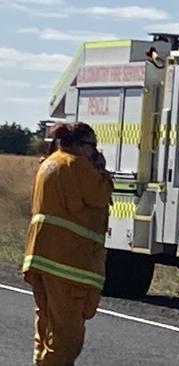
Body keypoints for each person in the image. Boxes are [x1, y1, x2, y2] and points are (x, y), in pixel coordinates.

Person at [22, 122, 113, 365]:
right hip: (66, 263)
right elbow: (99, 196)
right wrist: (102, 173)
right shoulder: (77, 164)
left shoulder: (49, 163)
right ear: (79, 146)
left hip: (40, 258)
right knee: (67, 339)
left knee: (46, 329)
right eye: (92, 146)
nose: (96, 152)